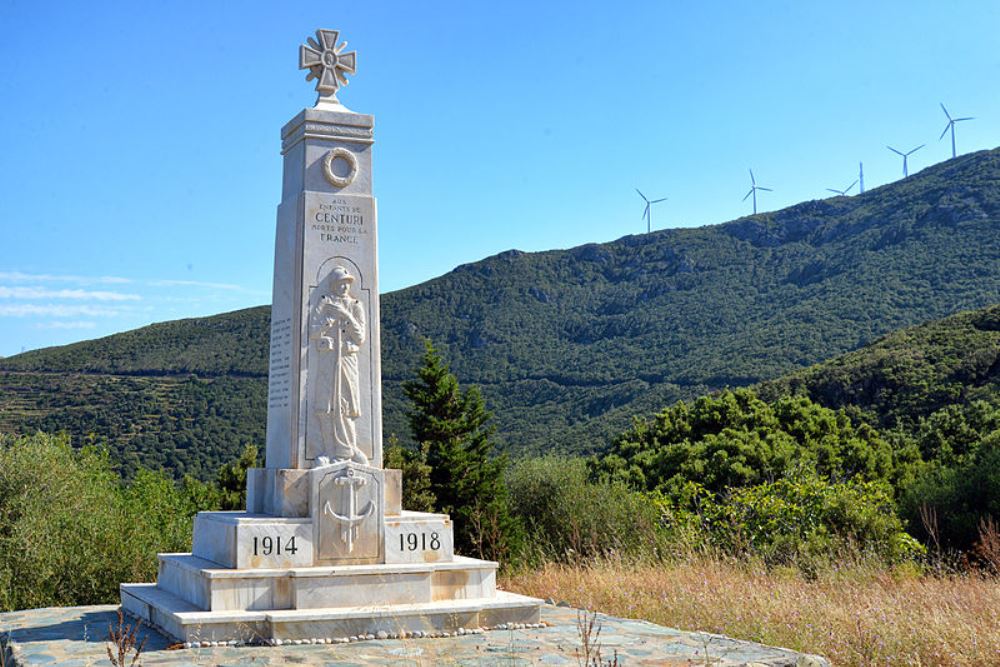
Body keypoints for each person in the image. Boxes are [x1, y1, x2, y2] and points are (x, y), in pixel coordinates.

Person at [310, 265, 368, 465]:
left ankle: (348, 451)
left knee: (346, 406)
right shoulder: (324, 302)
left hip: (347, 361)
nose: (343, 287)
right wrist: (329, 320)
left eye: (346, 283)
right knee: (325, 407)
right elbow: (313, 331)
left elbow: (360, 337)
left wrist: (346, 315)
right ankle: (328, 451)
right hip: (328, 360)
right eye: (340, 283)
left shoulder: (356, 305)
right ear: (333, 284)